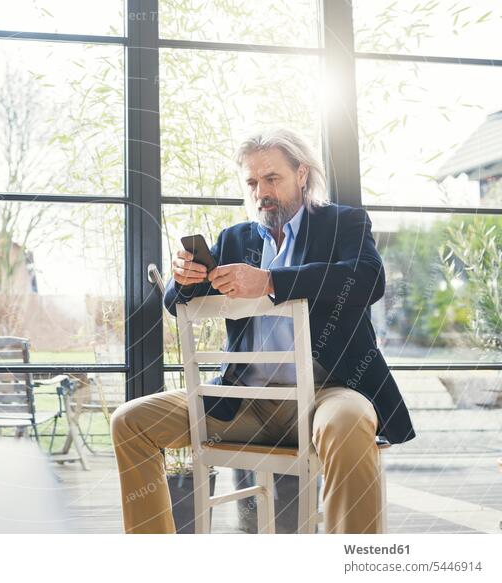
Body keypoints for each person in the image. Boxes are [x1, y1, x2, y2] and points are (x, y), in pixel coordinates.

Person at [111, 127, 415, 534]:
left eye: (272, 178)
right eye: (252, 182)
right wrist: (181, 279)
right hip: (242, 403)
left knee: (350, 422)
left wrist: (271, 281)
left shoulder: (343, 224)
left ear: (302, 174)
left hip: (327, 396)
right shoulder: (235, 238)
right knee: (130, 421)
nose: (261, 192)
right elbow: (176, 301)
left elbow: (367, 280)